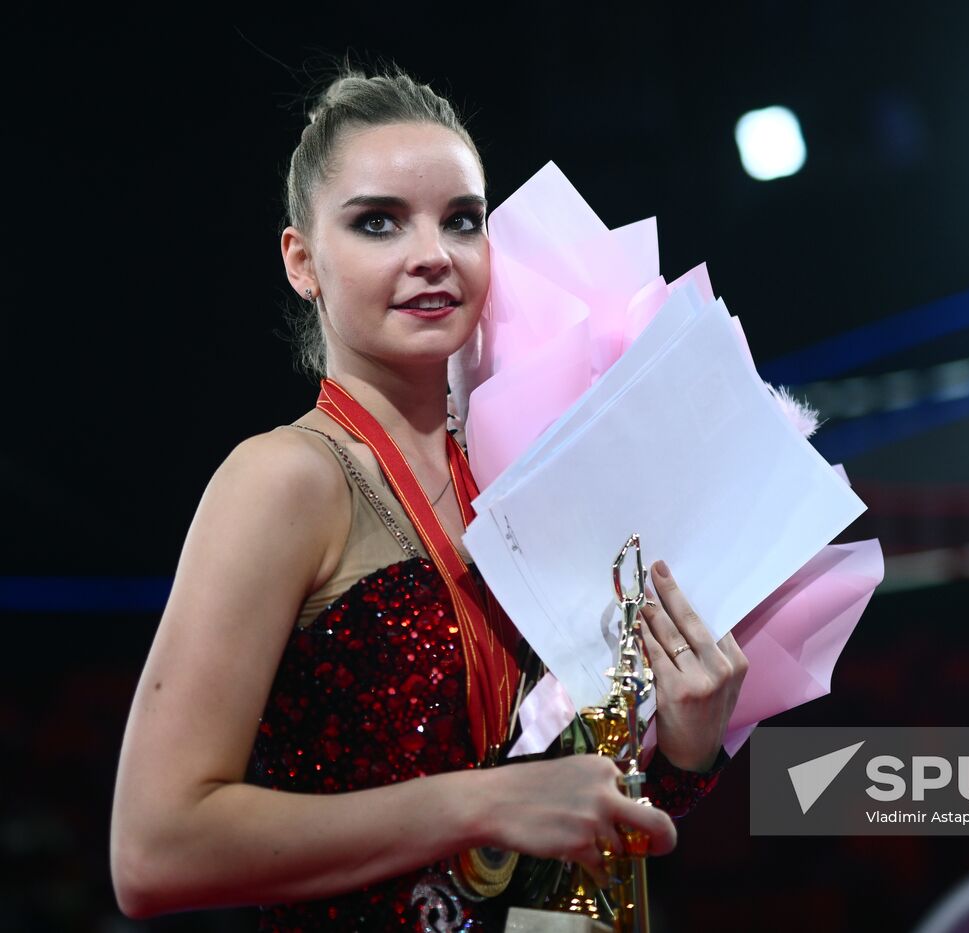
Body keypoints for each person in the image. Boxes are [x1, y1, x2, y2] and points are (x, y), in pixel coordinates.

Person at [110, 68, 748, 931]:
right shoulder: (285, 479)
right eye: (378, 221)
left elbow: (548, 845)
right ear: (302, 261)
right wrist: (479, 804)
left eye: (461, 220)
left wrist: (683, 750)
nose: (433, 253)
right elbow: (153, 850)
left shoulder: (519, 474)